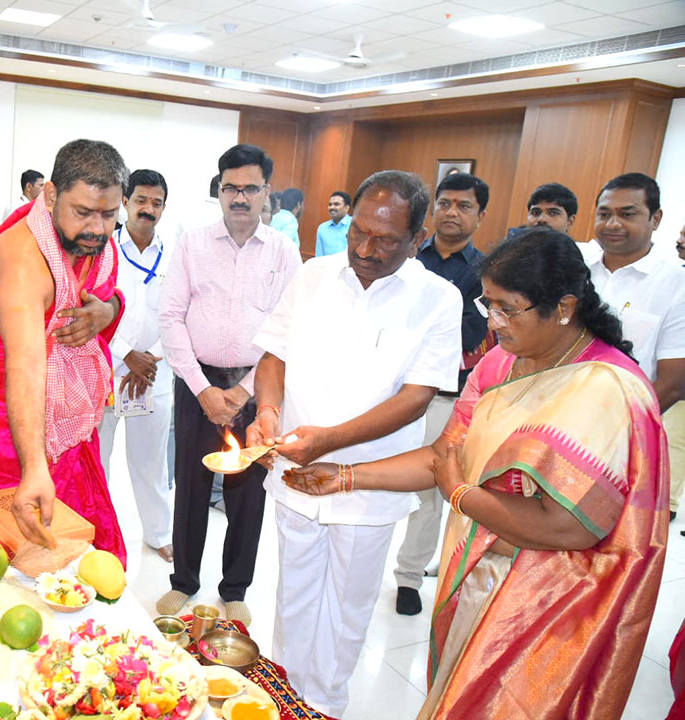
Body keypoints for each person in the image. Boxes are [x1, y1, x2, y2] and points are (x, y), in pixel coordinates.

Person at [283, 229, 668, 720]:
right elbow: (443, 456)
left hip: (553, 601)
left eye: (509, 309)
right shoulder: (500, 364)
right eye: (490, 305)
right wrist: (343, 477)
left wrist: (462, 496)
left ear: (564, 307)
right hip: (482, 574)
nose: (495, 322)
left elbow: (570, 526)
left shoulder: (607, 388)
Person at [248, 170, 462, 718]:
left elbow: (416, 398)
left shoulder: (439, 299)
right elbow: (274, 355)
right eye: (358, 233)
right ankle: (281, 699)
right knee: (292, 593)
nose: (366, 249)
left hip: (369, 481)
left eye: (386, 240)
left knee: (347, 607)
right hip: (294, 467)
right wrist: (268, 410)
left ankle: (324, 706)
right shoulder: (314, 274)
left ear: (418, 238)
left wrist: (329, 442)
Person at [0, 139, 129, 563]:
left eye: (109, 214)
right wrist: (34, 467)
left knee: (76, 538)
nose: (97, 229)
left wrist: (107, 311)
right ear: (49, 195)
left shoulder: (89, 241)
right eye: (83, 212)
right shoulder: (22, 260)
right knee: (3, 539)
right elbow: (25, 365)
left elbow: (105, 294)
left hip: (64, 408)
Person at [156, 144, 301, 625]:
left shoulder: (283, 252)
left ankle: (235, 587)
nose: (240, 197)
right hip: (196, 381)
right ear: (219, 190)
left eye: (251, 188)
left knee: (248, 492)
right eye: (231, 187)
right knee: (191, 485)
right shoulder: (192, 244)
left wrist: (243, 393)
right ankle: (184, 582)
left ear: (266, 194)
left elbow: (287, 329)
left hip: (256, 389)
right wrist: (201, 390)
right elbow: (171, 317)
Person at [394, 172, 490, 616]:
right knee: (370, 472)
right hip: (392, 390)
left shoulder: (486, 272)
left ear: (479, 215)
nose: (452, 212)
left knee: (431, 489)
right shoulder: (408, 255)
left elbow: (470, 334)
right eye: (445, 203)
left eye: (464, 205)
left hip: (445, 398)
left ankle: (409, 577)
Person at [588, 173, 685, 523]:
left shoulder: (676, 287)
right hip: (554, 427)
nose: (612, 224)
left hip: (626, 441)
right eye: (604, 213)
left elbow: (674, 382)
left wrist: (615, 432)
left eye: (627, 214)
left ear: (655, 219)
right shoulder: (574, 269)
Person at [98, 169, 174, 563]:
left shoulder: (175, 255)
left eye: (156, 202)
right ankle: (98, 533)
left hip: (155, 374)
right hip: (106, 369)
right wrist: (128, 354)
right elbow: (90, 308)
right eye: (141, 200)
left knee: (151, 461)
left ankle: (159, 533)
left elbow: (181, 315)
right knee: (97, 459)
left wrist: (151, 358)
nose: (148, 209)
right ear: (125, 201)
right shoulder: (103, 250)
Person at [315, 190, 352, 257]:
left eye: (336, 204)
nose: (332, 207)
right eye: (330, 204)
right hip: (327, 267)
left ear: (347, 208)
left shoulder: (354, 226)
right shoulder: (322, 228)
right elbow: (319, 256)